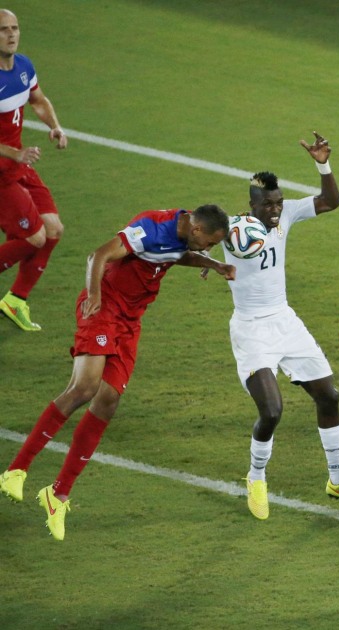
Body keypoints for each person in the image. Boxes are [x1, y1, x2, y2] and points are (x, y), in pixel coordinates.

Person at [0, 205, 233, 541]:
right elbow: (98, 255)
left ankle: (58, 494)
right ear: (197, 230)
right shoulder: (152, 227)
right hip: (105, 305)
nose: (207, 249)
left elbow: (177, 254)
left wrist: (213, 263)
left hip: (130, 320)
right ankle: (16, 470)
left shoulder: (186, 236)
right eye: (209, 244)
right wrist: (94, 295)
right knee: (84, 387)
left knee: (108, 401)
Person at [223, 134, 339, 521]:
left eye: (277, 203)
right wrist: (210, 267)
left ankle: (338, 480)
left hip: (285, 321)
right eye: (267, 205)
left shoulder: (287, 213)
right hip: (251, 330)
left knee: (329, 396)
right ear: (252, 204)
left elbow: (330, 201)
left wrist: (323, 165)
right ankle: (256, 478)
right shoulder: (234, 229)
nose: (275, 211)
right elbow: (192, 241)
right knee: (272, 411)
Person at [0, 9, 68, 332]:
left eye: (15, 28)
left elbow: (38, 100)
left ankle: (15, 300)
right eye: (3, 30)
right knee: (36, 236)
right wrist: (15, 152)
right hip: (2, 172)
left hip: (17, 164)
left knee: (53, 229)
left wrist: (54, 126)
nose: (11, 34)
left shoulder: (24, 67)